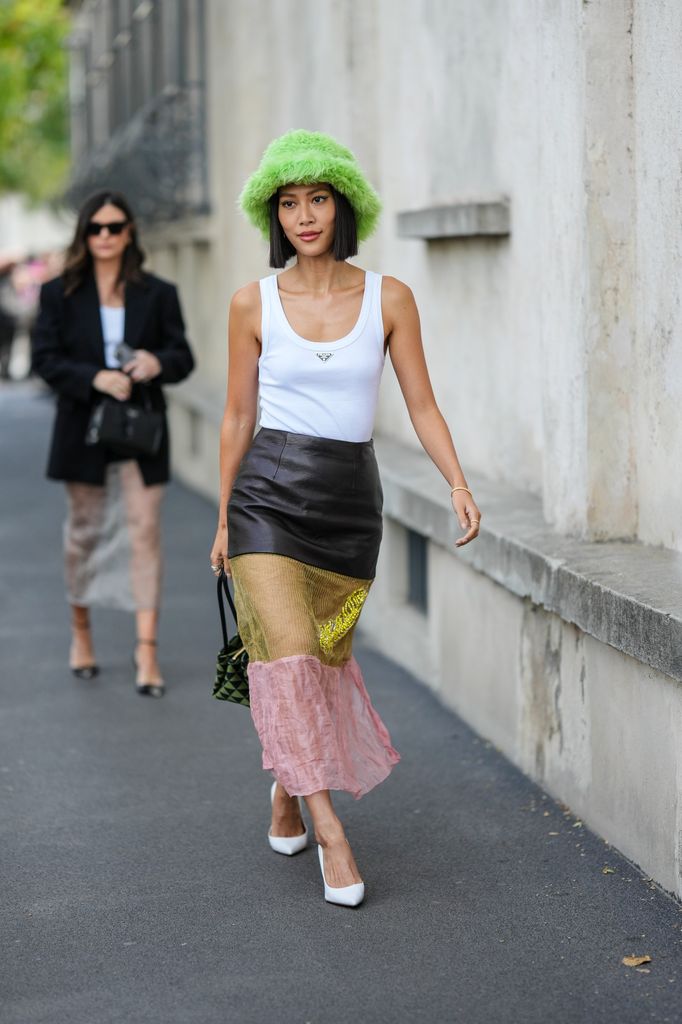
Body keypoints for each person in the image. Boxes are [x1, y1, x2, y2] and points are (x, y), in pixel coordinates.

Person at [210, 130, 481, 907]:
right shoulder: (250, 303)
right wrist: (226, 517)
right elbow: (235, 417)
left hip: (348, 509)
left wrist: (457, 480)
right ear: (274, 214)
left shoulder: (390, 297)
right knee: (288, 655)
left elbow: (420, 402)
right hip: (267, 495)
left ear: (343, 205)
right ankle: (333, 835)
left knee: (321, 669)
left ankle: (288, 789)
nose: (304, 215)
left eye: (317, 198)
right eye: (288, 202)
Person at [32, 190, 195, 697]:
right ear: (84, 234)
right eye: (95, 228)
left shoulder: (158, 292)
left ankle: (146, 649)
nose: (105, 236)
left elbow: (182, 356)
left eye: (115, 226)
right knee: (84, 531)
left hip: (141, 430)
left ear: (130, 233)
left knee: (144, 531)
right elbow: (45, 359)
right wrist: (95, 379)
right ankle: (81, 633)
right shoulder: (58, 292)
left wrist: (155, 364)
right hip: (83, 428)